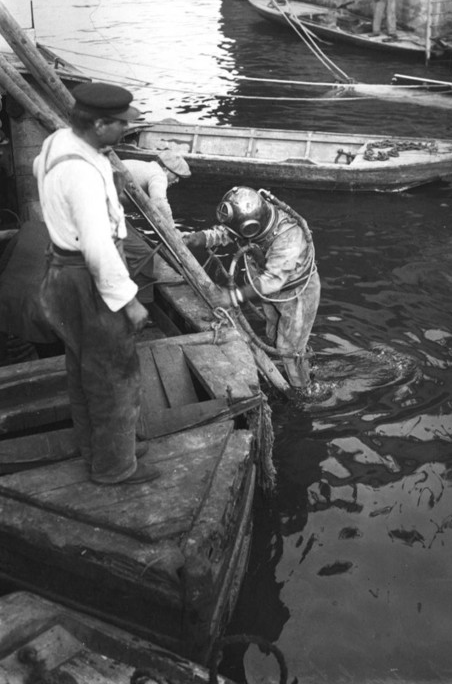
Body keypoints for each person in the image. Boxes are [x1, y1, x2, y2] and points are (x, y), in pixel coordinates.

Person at [33, 82, 160, 486]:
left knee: (83, 367)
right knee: (114, 374)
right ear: (100, 124)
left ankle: (100, 447)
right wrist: (129, 301)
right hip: (88, 277)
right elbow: (97, 246)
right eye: (121, 123)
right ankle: (115, 468)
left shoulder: (58, 142)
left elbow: (38, 169)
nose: (127, 129)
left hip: (60, 272)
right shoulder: (83, 174)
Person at [184, 186, 320, 392]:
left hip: (296, 294)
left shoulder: (288, 234)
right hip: (268, 290)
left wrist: (235, 296)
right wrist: (198, 238)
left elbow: (273, 281)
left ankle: (302, 390)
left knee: (289, 348)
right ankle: (299, 366)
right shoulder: (253, 221)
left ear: (251, 227)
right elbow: (227, 233)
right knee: (273, 335)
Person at [119, 151, 191, 301]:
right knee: (144, 254)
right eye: (176, 175)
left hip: (102, 205)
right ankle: (139, 305)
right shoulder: (158, 175)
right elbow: (159, 202)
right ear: (165, 169)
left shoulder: (146, 168)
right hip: (99, 209)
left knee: (138, 243)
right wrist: (173, 230)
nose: (177, 180)